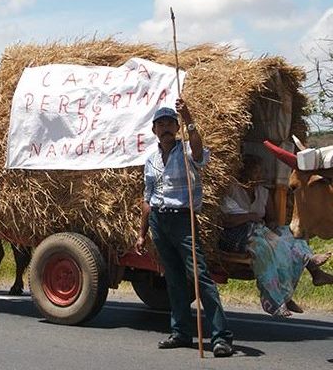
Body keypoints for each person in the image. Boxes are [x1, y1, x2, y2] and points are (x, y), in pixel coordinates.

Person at [135, 101, 234, 358]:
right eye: (161, 124)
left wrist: (189, 116)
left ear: (177, 128)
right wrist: (142, 233)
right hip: (159, 220)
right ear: (154, 129)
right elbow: (147, 198)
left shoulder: (188, 151)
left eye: (170, 123)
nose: (166, 128)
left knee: (200, 278)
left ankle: (221, 337)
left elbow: (200, 153)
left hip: (183, 220)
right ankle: (180, 332)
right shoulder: (151, 160)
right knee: (174, 279)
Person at [220, 154, 333, 317]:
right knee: (264, 249)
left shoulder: (263, 193)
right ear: (244, 173)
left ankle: (309, 274)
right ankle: (275, 302)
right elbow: (227, 221)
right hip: (237, 234)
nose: (259, 176)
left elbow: (271, 219)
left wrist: (272, 227)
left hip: (260, 229)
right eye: (255, 172)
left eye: (260, 172)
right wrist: (250, 217)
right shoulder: (231, 190)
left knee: (291, 234)